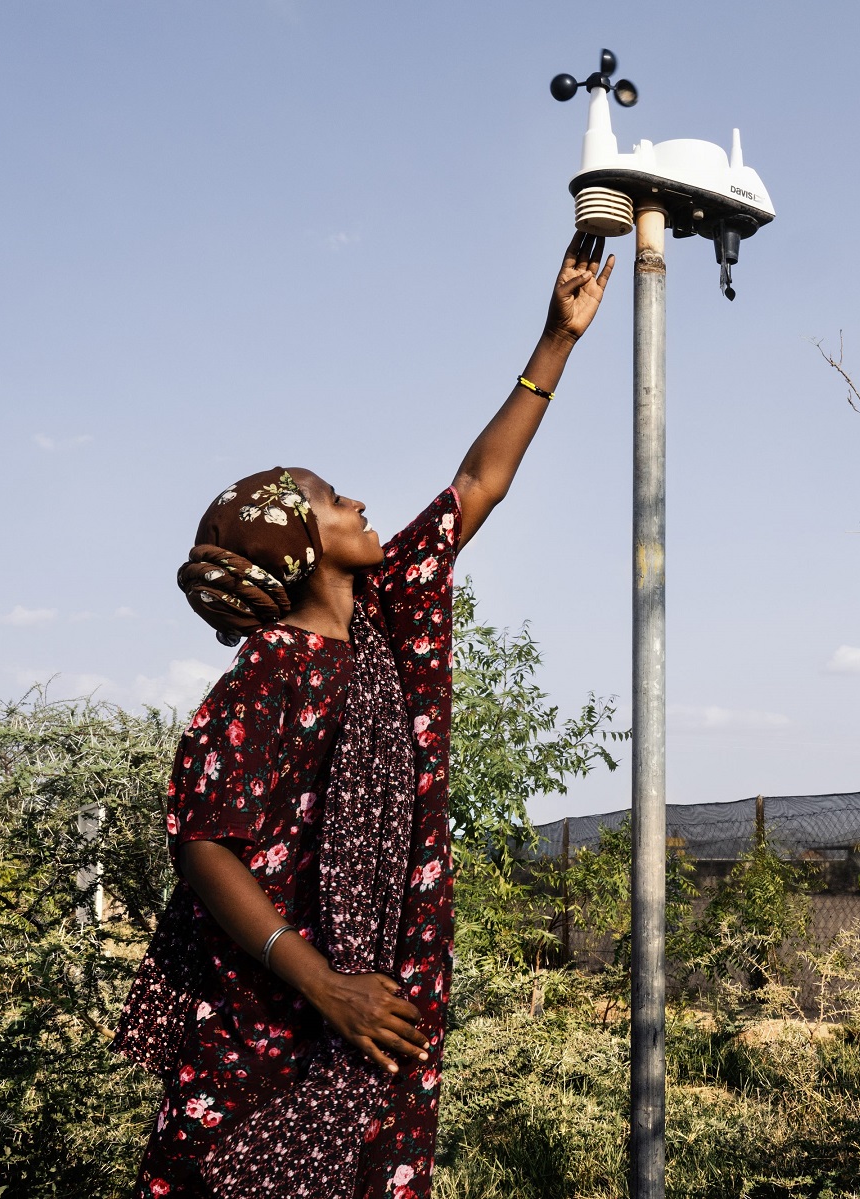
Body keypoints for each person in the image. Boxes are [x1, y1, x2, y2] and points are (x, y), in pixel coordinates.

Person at [114, 234, 616, 1199]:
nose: (360, 502)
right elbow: (204, 846)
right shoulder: (265, 679)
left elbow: (479, 484)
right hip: (285, 1016)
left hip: (386, 997)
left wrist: (557, 338)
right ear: (301, 545)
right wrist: (325, 986)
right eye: (335, 500)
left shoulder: (386, 619)